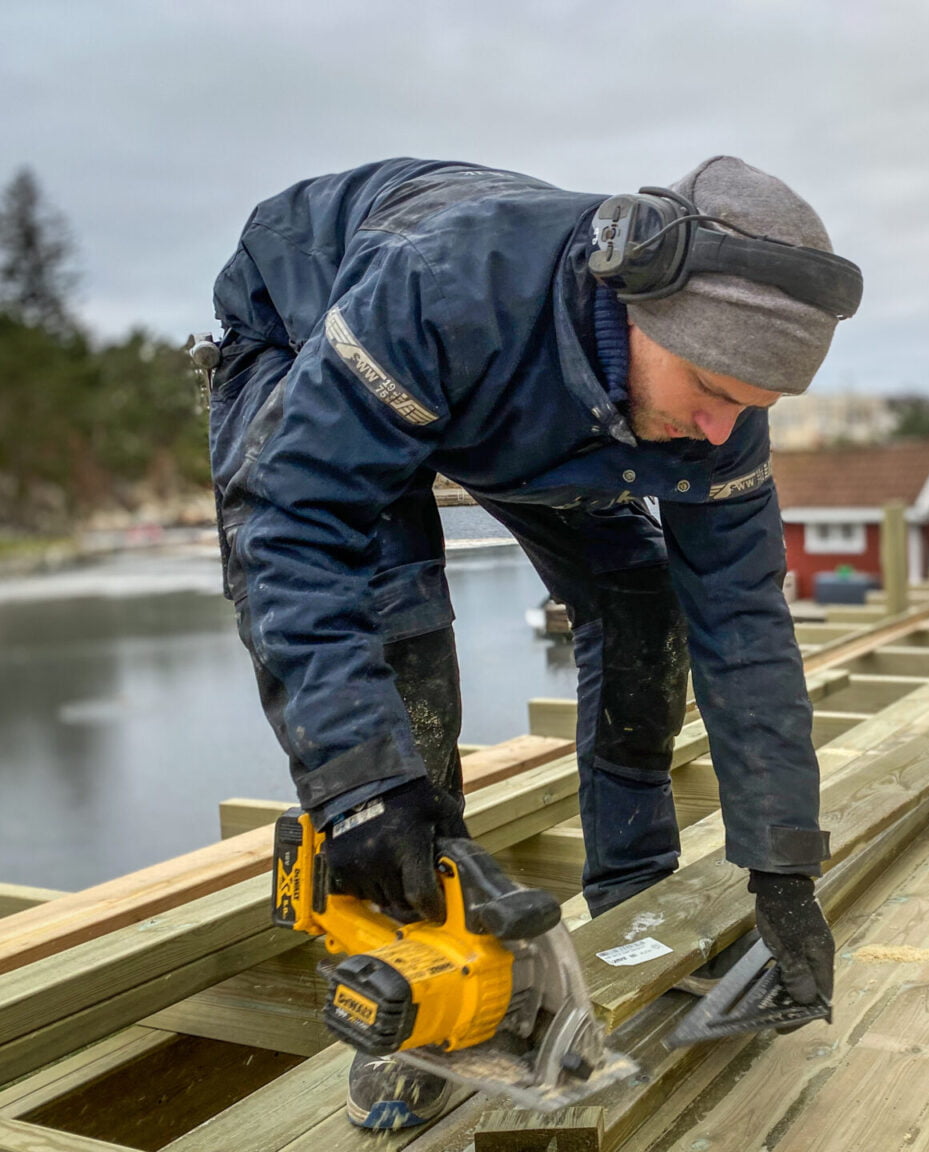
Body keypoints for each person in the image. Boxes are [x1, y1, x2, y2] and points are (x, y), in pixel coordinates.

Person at [205, 155, 859, 1129]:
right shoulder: (440, 295)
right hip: (314, 333)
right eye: (712, 389)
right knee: (400, 653)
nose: (723, 430)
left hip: (522, 398)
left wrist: (785, 869)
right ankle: (418, 987)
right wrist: (361, 786)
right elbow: (293, 534)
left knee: (646, 612)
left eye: (752, 410)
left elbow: (747, 626)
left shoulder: (715, 411)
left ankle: (636, 901)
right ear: (637, 306)